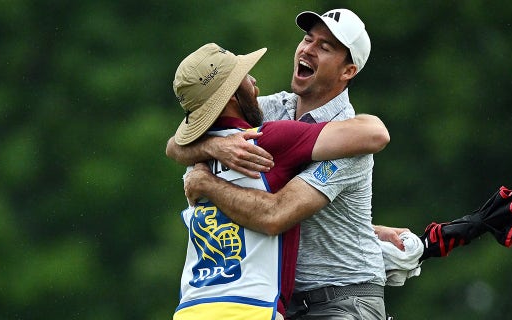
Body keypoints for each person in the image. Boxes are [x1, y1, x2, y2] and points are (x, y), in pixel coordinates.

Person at [168, 9, 399, 320]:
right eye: (307, 39)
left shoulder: (351, 138)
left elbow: (276, 214)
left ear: (348, 71)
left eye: (325, 47)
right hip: (281, 303)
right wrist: (216, 145)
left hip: (344, 299)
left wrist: (205, 182)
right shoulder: (272, 109)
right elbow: (180, 141)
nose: (307, 50)